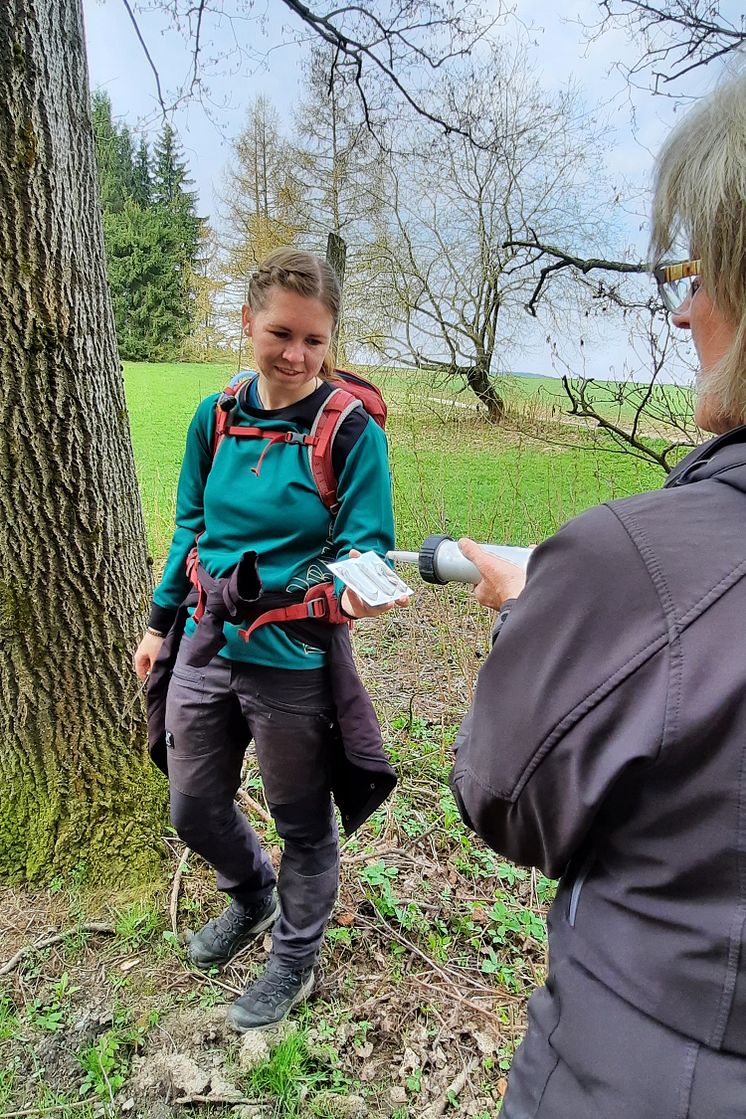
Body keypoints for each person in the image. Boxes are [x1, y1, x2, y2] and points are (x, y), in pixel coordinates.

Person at [450, 71, 746, 1117]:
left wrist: (550, 616)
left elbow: (503, 799)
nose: (680, 315)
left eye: (695, 272)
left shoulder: (630, 564)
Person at [134, 248, 407, 1032]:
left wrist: (356, 589)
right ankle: (252, 893)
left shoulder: (350, 434)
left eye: (315, 341)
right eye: (280, 333)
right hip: (205, 639)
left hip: (292, 657)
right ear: (248, 322)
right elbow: (191, 528)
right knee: (191, 804)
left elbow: (367, 546)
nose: (295, 355)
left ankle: (294, 956)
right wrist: (159, 624)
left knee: (302, 820)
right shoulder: (215, 417)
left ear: (331, 342)